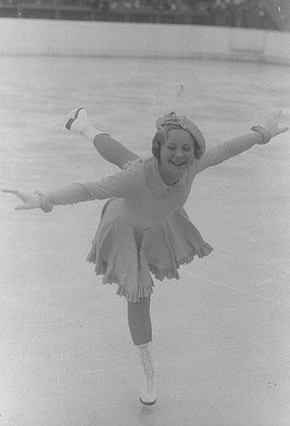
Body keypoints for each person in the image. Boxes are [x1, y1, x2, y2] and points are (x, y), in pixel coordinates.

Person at [2, 108, 288, 406]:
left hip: (159, 220)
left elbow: (227, 149)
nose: (179, 155)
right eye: (171, 147)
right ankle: (148, 371)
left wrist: (262, 134)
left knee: (123, 156)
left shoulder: (191, 166)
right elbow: (90, 189)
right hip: (125, 228)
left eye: (186, 149)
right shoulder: (136, 177)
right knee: (138, 296)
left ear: (194, 151)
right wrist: (44, 198)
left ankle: (83, 124)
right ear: (159, 148)